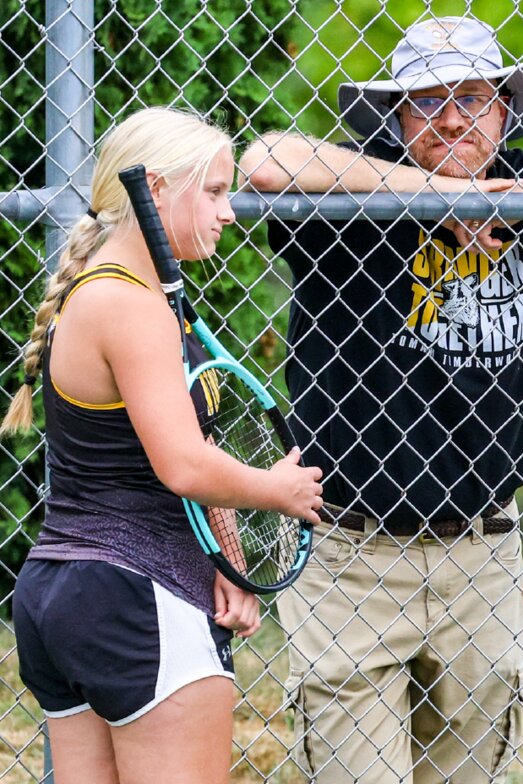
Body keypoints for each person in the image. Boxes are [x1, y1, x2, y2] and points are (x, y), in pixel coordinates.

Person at [239, 16, 523, 784]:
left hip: (479, 553)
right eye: (427, 101)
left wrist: (501, 200)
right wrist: (432, 193)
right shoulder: (350, 193)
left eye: (474, 98)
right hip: (349, 550)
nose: (452, 118)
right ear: (395, 116)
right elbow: (262, 160)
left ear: (507, 110)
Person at [4, 107, 323, 784]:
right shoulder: (132, 306)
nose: (228, 212)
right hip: (136, 594)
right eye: (211, 192)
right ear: (152, 190)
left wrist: (230, 563)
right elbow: (181, 465)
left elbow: (182, 442)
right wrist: (280, 490)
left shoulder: (113, 295)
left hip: (62, 594)